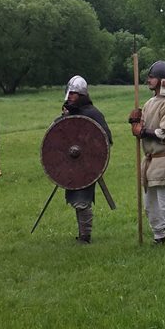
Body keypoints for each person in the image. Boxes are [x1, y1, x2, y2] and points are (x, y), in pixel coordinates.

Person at [129, 60, 165, 245]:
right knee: (150, 204)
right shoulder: (149, 103)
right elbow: (142, 128)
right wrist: (136, 122)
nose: (148, 80)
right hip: (150, 161)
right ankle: (159, 236)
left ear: (162, 80)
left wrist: (143, 131)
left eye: (152, 77)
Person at [60, 75, 112, 244]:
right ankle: (82, 233)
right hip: (72, 163)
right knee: (76, 197)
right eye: (69, 93)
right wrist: (64, 119)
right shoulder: (71, 113)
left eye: (73, 94)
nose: (70, 97)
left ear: (82, 94)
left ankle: (85, 236)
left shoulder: (92, 114)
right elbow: (59, 137)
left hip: (87, 164)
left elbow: (106, 139)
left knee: (82, 199)